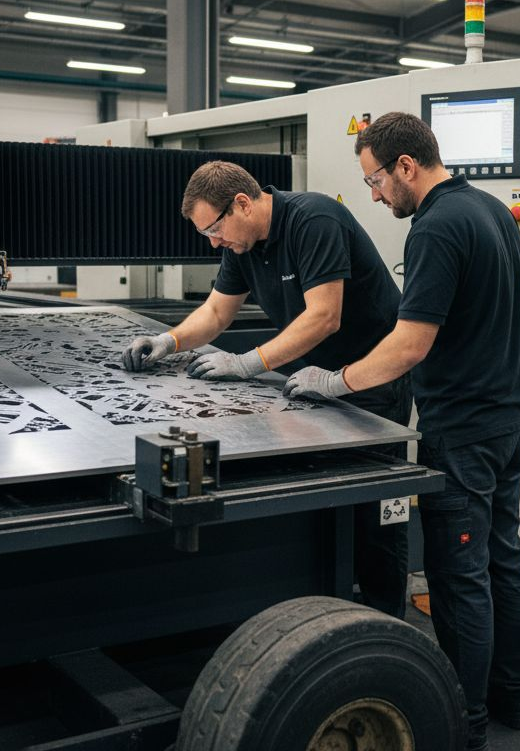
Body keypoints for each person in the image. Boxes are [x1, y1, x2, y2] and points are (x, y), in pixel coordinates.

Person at [283, 112, 520, 751]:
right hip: (512, 414)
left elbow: (407, 346)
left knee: (460, 577)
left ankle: (467, 722)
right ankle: (516, 699)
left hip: (464, 427)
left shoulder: (434, 228)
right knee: (503, 560)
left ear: (405, 166)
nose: (373, 195)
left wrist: (333, 381)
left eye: (375, 181)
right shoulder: (491, 212)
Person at [122, 160, 411, 619]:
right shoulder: (241, 244)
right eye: (206, 235)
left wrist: (246, 363)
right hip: (306, 388)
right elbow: (217, 313)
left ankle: (386, 620)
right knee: (320, 503)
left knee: (373, 514)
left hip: (367, 384)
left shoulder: (314, 220)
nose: (214, 241)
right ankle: (329, 602)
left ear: (242, 203)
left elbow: (324, 316)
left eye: (214, 228)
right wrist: (168, 341)